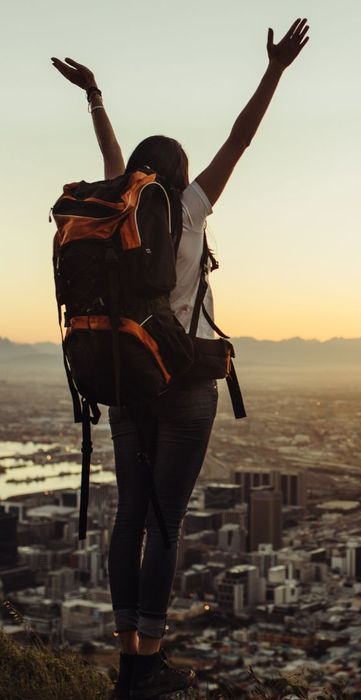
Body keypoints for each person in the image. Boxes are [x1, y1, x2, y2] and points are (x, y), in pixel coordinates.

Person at [52, 18, 309, 699]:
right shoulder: (190, 207)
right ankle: (152, 660)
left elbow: (111, 155)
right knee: (168, 515)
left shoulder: (121, 207)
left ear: (139, 172)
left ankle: (127, 651)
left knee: (131, 513)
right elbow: (241, 138)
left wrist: (97, 97)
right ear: (182, 175)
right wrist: (276, 70)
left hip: (126, 373)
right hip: (187, 379)